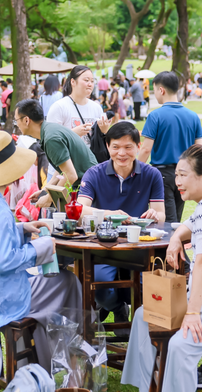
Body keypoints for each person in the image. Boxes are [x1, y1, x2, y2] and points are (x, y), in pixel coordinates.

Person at [121, 145, 202, 391]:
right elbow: (186, 225)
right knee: (142, 316)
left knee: (181, 346)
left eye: (183, 175)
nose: (177, 181)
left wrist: (192, 314)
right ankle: (144, 386)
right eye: (177, 174)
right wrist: (174, 239)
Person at [0, 130, 82, 372]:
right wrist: (41, 247)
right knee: (67, 281)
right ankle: (65, 359)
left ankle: (40, 359)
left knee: (55, 281)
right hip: (1, 298)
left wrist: (22, 227)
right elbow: (4, 261)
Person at [77, 122, 165, 321]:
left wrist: (154, 214)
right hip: (103, 245)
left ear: (138, 147)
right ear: (107, 147)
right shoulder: (94, 174)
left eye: (128, 147)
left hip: (139, 245)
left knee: (150, 288)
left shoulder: (152, 174)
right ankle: (117, 308)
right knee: (99, 287)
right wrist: (109, 213)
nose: (121, 153)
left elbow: (161, 214)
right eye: (116, 147)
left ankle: (141, 329)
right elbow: (80, 210)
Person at [138, 71, 202, 223]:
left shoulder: (155, 116)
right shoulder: (193, 116)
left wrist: (136, 170)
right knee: (175, 219)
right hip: (185, 174)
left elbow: (146, 149)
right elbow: (199, 150)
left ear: (161, 90)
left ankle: (175, 246)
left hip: (162, 175)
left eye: (155, 91)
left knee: (167, 222)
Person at [13, 99, 98, 210]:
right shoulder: (49, 130)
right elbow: (62, 168)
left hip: (87, 187)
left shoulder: (50, 139)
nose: (16, 124)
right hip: (87, 184)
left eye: (16, 120)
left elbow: (71, 175)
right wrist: (45, 190)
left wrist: (49, 198)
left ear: (26, 120)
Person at [46, 65, 108, 147]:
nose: (90, 84)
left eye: (92, 81)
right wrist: (72, 133)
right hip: (69, 159)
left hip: (93, 158)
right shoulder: (59, 107)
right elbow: (50, 140)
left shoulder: (96, 108)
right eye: (86, 80)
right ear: (73, 82)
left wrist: (104, 131)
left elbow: (102, 141)